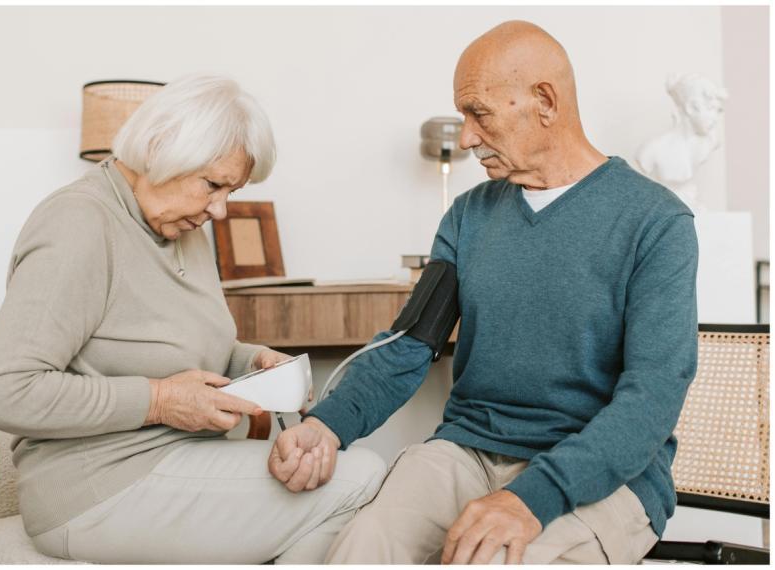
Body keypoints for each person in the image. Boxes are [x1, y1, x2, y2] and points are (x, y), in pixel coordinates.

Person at [268, 21, 698, 564]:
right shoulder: (469, 216)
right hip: (467, 452)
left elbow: (652, 398)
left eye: (479, 113)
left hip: (600, 477)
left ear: (544, 100)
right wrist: (327, 425)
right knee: (363, 547)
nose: (467, 136)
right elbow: (406, 346)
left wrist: (529, 500)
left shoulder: (655, 221)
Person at [0, 74, 386, 564]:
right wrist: (160, 401)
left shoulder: (182, 229)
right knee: (359, 479)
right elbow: (3, 390)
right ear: (159, 148)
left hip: (175, 461)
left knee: (334, 470)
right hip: (95, 488)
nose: (221, 209)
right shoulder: (79, 224)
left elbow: (174, 343)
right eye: (213, 185)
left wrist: (251, 362)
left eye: (231, 190)